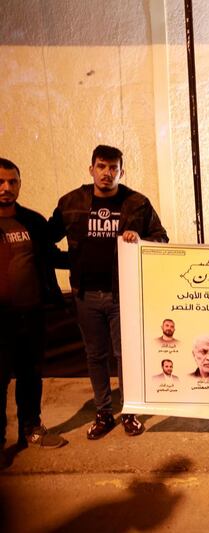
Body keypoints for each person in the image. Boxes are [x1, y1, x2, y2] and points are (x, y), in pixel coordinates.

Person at [49, 145, 168, 440]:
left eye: (113, 167)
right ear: (91, 169)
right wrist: (71, 262)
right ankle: (103, 412)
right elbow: (45, 242)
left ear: (121, 171)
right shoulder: (71, 202)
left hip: (123, 295)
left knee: (125, 354)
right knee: (95, 355)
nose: (107, 173)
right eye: (102, 166)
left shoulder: (137, 203)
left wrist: (139, 239)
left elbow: (161, 238)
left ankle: (129, 411)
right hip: (85, 294)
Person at [0, 158, 67, 465]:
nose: (6, 188)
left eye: (12, 182)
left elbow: (53, 256)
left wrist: (102, 256)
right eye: (1, 182)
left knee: (31, 375)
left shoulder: (32, 221)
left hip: (32, 314)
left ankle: (31, 428)